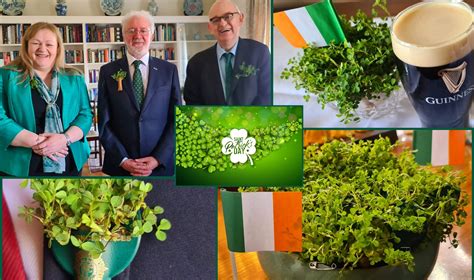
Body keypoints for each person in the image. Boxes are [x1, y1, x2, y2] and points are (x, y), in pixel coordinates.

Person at [0, 22, 92, 177]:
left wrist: (64, 139)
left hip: (69, 160)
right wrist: (41, 143)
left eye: (49, 44)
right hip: (20, 165)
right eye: (36, 43)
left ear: (57, 48)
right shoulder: (6, 76)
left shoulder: (74, 77)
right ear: (26, 45)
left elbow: (85, 115)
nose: (42, 49)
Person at [98, 11, 181, 176]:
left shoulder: (169, 71)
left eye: (143, 30)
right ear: (123, 35)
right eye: (131, 30)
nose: (138, 35)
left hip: (160, 165)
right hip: (120, 166)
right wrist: (123, 160)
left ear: (152, 34)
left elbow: (177, 120)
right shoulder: (107, 71)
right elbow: (104, 122)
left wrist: (157, 158)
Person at [183, 0, 271, 105]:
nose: (223, 23)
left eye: (228, 16)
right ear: (210, 27)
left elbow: (266, 98)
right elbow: (193, 106)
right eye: (215, 20)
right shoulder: (196, 63)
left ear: (240, 19)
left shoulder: (260, 53)